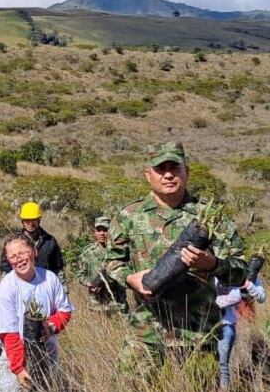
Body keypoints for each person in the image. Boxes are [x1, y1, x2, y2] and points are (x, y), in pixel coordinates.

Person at [103, 142, 248, 372]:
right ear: (148, 175)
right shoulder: (128, 216)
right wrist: (130, 279)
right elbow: (112, 262)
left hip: (199, 335)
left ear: (186, 172)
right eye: (161, 169)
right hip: (147, 334)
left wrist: (213, 264)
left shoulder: (209, 217)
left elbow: (241, 271)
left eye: (175, 167)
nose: (168, 175)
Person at [0, 234, 73, 392]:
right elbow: (9, 333)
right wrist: (19, 369)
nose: (19, 259)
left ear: (34, 252)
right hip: (14, 357)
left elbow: (65, 310)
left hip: (46, 353)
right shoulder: (6, 288)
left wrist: (51, 326)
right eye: (13, 256)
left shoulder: (49, 279)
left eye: (22, 253)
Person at [213, 269, 265, 392]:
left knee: (229, 364)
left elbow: (261, 297)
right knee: (220, 365)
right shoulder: (214, 268)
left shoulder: (248, 272)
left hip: (239, 323)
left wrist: (248, 285)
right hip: (215, 325)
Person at [0, 202, 64, 276]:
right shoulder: (13, 243)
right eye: (27, 220)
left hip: (45, 285)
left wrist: (62, 287)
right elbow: (6, 269)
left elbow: (58, 270)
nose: (31, 223)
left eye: (34, 220)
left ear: (39, 220)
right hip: (20, 285)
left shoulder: (49, 241)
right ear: (22, 221)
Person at [81, 217, 125, 314]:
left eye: (105, 230)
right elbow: (80, 274)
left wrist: (107, 280)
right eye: (99, 230)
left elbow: (126, 273)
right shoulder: (88, 252)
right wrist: (90, 283)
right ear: (94, 232)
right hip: (97, 304)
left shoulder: (120, 251)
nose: (102, 233)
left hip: (118, 303)